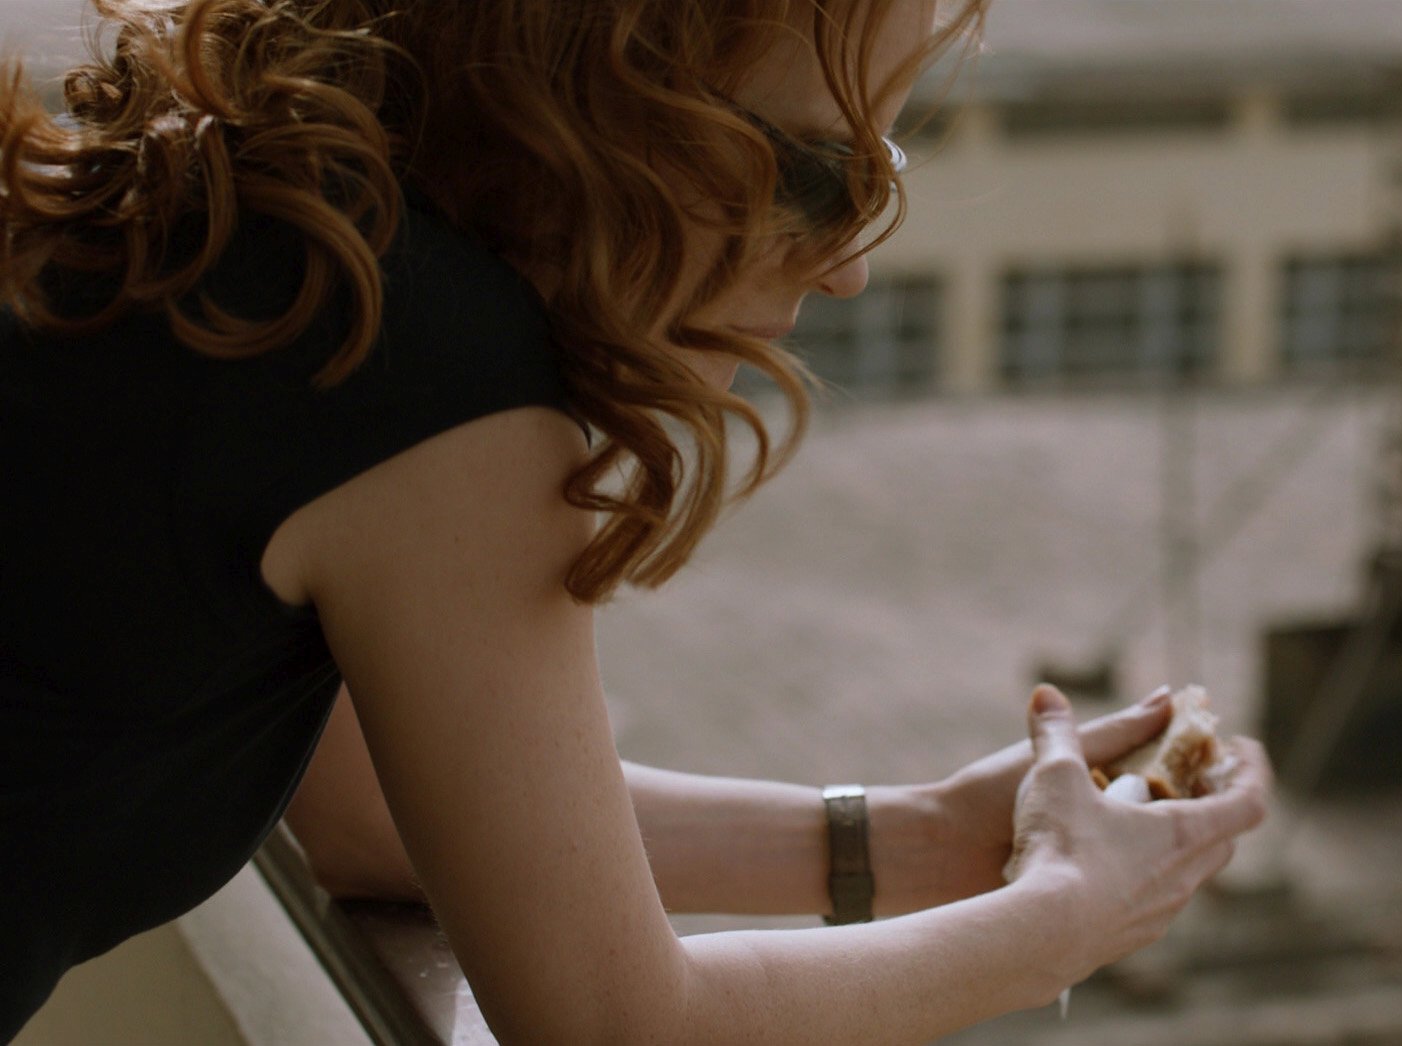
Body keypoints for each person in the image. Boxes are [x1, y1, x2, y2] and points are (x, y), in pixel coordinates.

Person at [0, 0, 1272, 1040]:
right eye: (819, 172)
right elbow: (614, 1023)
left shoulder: (284, 228)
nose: (848, 264)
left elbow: (375, 815)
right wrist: (1065, 918)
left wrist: (916, 834)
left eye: (877, 175)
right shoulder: (414, 365)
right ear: (592, 92)